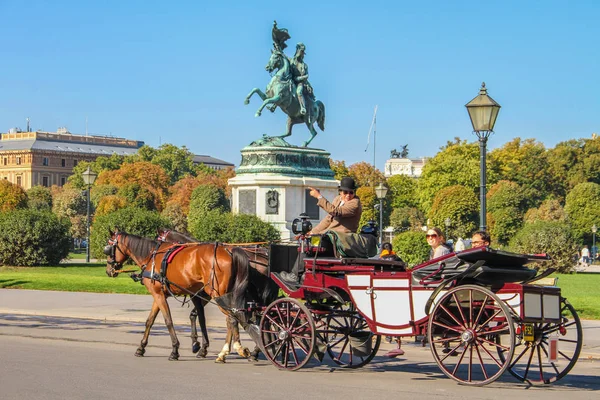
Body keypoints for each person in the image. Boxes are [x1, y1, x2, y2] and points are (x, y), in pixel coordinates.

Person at [280, 177, 362, 283]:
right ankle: (305, 273)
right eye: (345, 192)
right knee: (307, 241)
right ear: (340, 192)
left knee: (308, 246)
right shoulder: (338, 199)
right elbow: (328, 220)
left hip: (340, 241)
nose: (348, 195)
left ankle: (295, 275)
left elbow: (335, 212)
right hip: (330, 237)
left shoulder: (355, 203)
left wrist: (319, 196)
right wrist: (313, 232)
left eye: (351, 192)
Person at [291, 42, 314, 116]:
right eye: (301, 51)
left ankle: (303, 107)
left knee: (299, 92)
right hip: (291, 81)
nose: (302, 54)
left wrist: (299, 78)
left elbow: (306, 76)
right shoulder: (292, 61)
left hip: (300, 83)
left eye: (303, 53)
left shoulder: (304, 65)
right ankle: (274, 105)